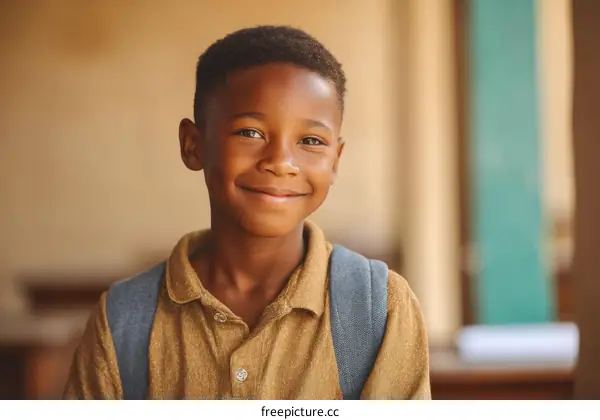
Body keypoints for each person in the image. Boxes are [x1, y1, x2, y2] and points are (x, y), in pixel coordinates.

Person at [63, 25, 430, 400]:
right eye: (250, 133)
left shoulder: (378, 308)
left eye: (310, 141)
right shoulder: (124, 321)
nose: (281, 163)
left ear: (335, 161)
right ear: (193, 145)